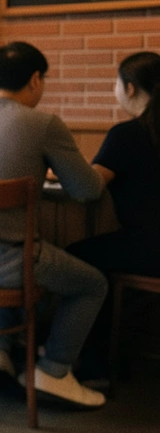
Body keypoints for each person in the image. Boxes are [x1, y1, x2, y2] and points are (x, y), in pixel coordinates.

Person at [0, 41, 106, 408]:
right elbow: (87, 190)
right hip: (6, 263)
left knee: (11, 245)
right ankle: (54, 370)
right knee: (91, 283)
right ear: (35, 80)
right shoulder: (43, 123)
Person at [66, 51, 160, 278]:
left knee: (71, 259)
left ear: (130, 88)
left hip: (147, 248)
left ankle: (109, 315)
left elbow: (91, 185)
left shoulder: (126, 135)